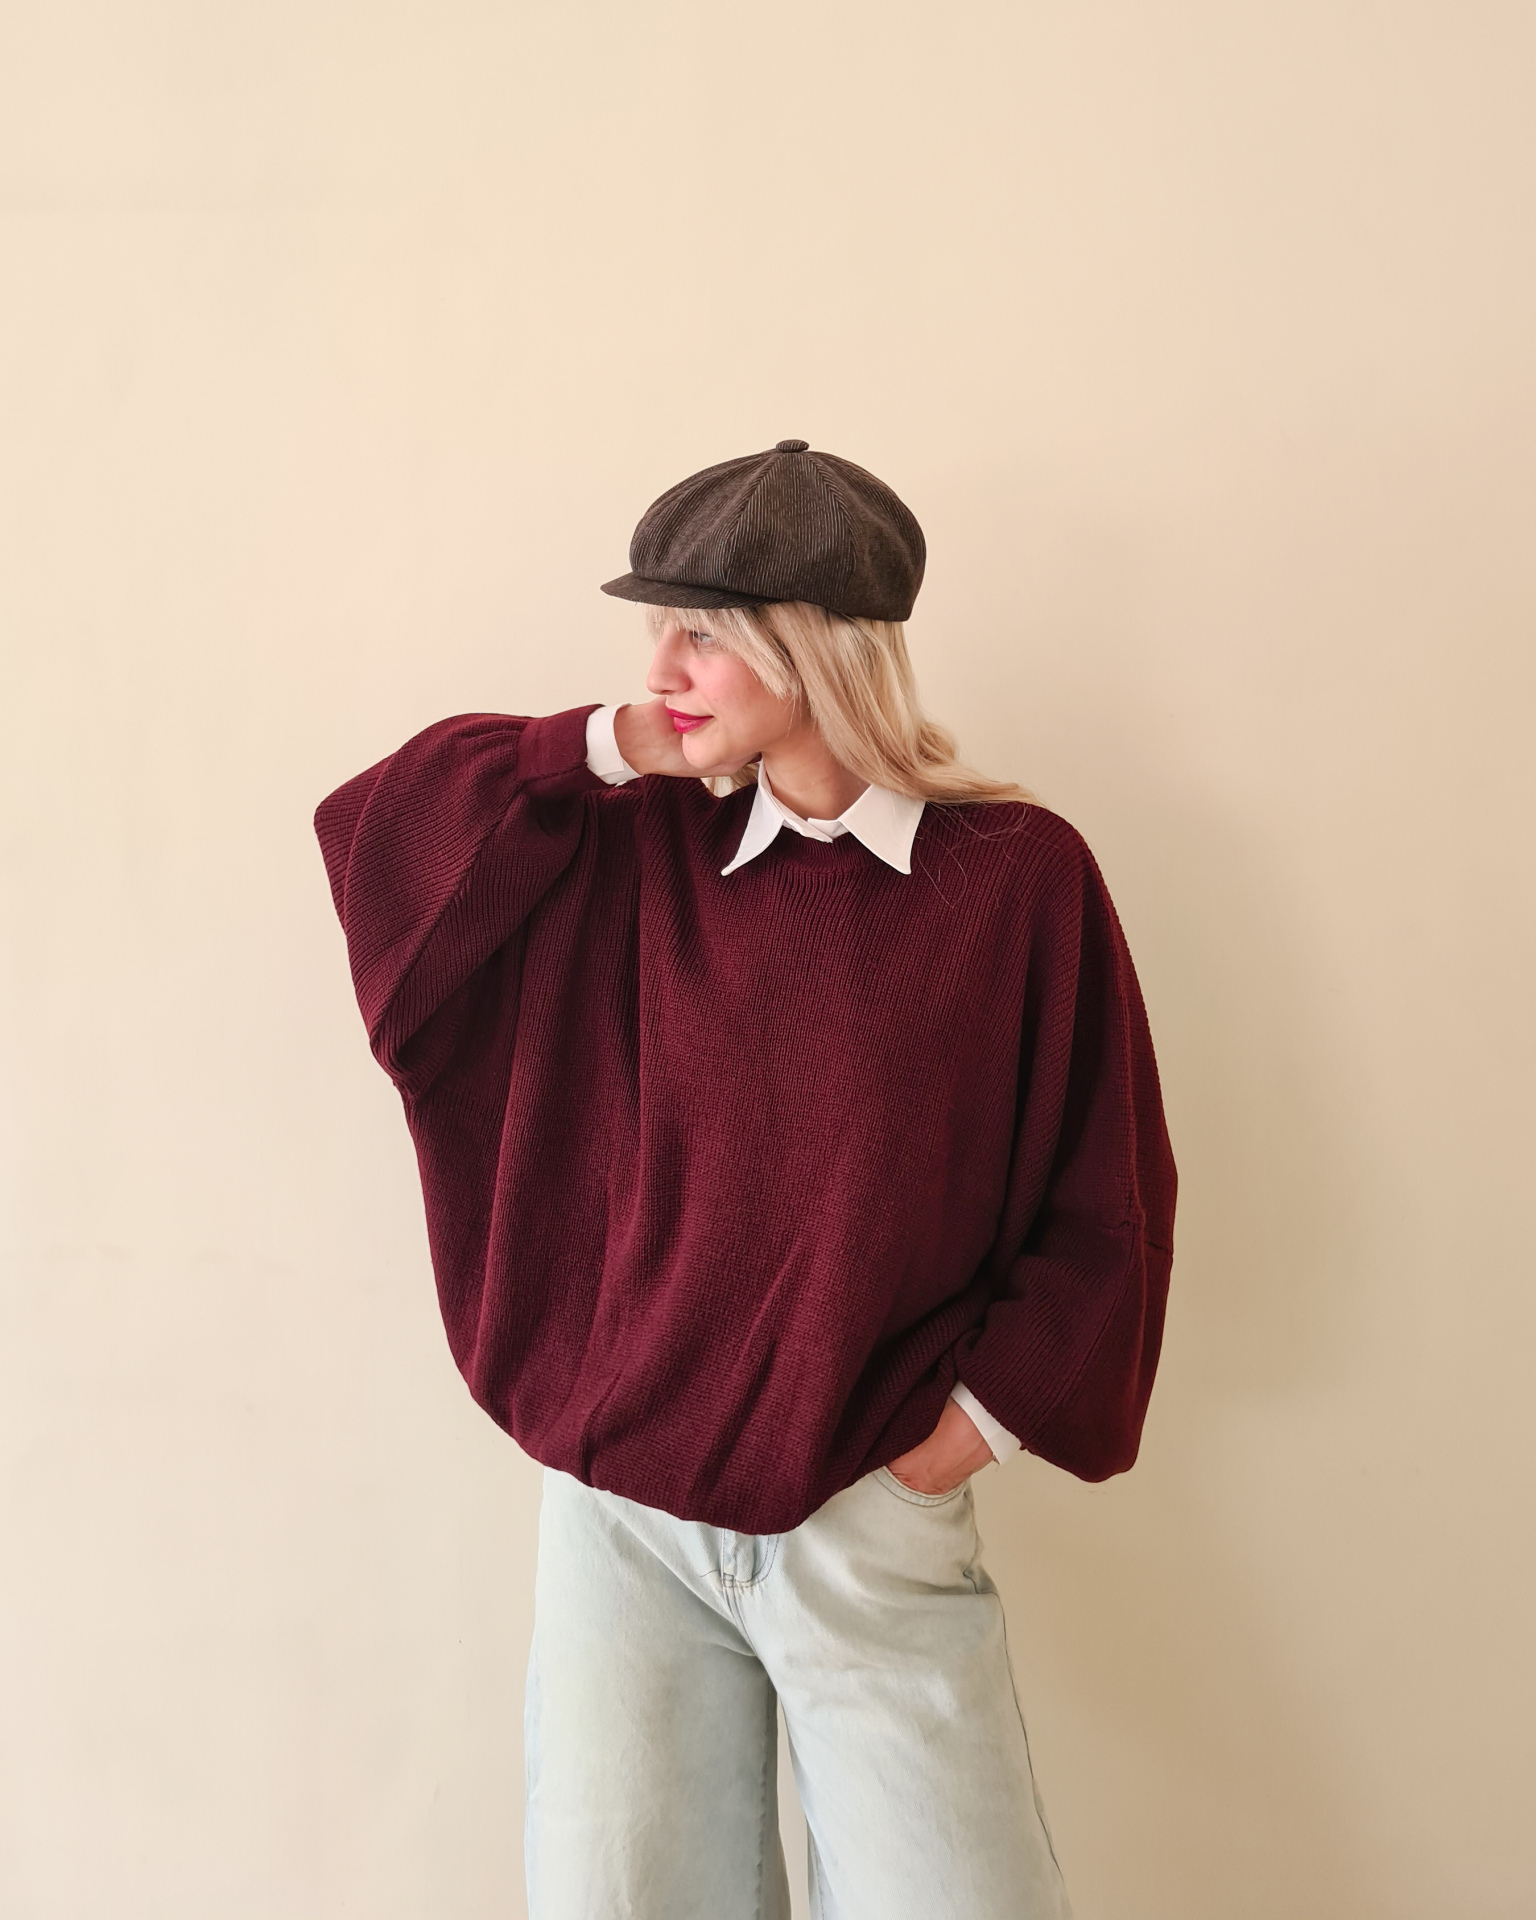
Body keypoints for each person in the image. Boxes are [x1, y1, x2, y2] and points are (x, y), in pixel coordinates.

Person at [314, 438, 1177, 1920]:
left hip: (865, 1515)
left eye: (702, 634)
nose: (664, 669)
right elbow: (384, 838)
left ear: (814, 646)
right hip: (624, 1521)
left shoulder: (1015, 878)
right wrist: (603, 746)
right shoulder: (638, 851)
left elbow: (1111, 1196)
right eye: (659, 631)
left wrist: (964, 1436)